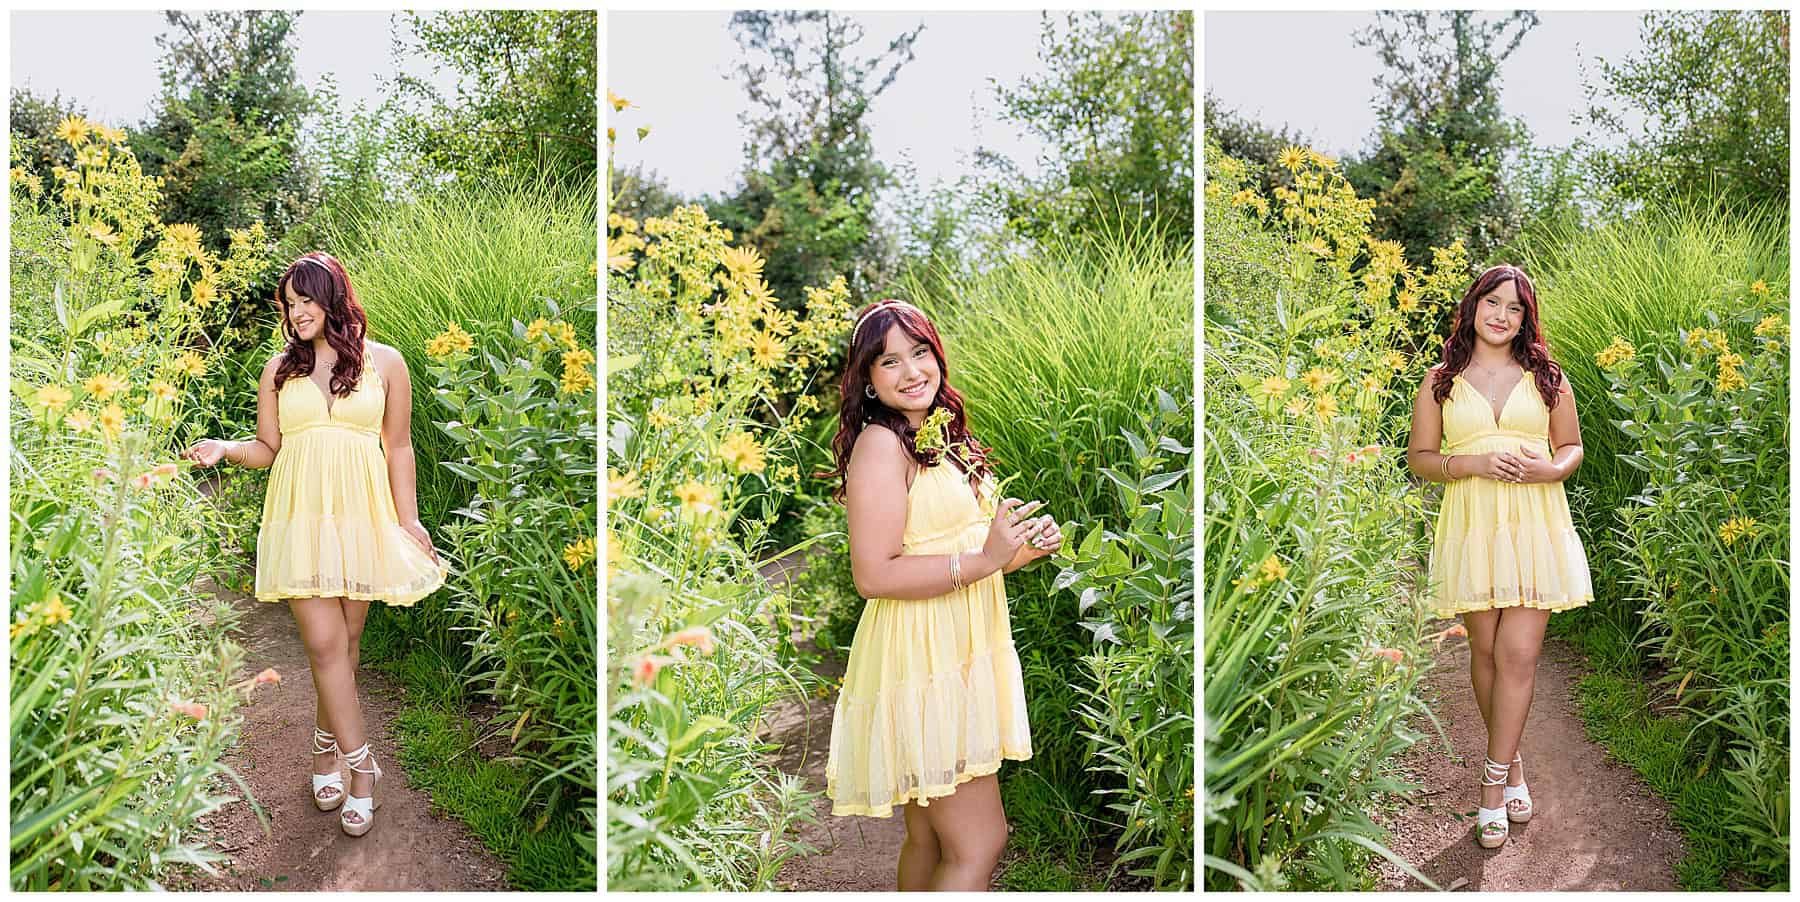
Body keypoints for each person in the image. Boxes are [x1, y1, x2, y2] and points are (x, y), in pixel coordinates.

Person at [184, 252, 447, 837]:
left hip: (363, 517)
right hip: (301, 520)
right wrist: (225, 449)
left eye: (306, 300)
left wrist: (410, 522)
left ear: (332, 298)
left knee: (349, 646)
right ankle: (363, 769)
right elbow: (267, 449)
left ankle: (324, 752)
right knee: (326, 647)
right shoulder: (280, 369)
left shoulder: (386, 364)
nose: (297, 312)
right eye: (289, 304)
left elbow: (398, 447)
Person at [822, 299, 1061, 890]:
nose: (911, 372)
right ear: (869, 382)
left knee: (930, 838)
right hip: (925, 657)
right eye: (889, 362)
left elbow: (960, 553)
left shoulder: (933, 439)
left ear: (937, 355)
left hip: (949, 648)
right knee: (981, 841)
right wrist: (984, 558)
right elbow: (874, 575)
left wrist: (1018, 549)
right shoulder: (882, 445)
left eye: (920, 352)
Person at [1406, 263, 1594, 849]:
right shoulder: (1440, 380)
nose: (1501, 316)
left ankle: (1491, 788)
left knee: (1519, 653)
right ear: (1473, 306)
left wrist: (1549, 468)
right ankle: (1511, 765)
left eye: (1514, 308)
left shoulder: (1548, 378)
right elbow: (1421, 459)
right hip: (1473, 524)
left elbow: (1571, 447)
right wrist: (1472, 463)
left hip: (1535, 522)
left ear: (1525, 318)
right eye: (1492, 302)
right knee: (1483, 651)